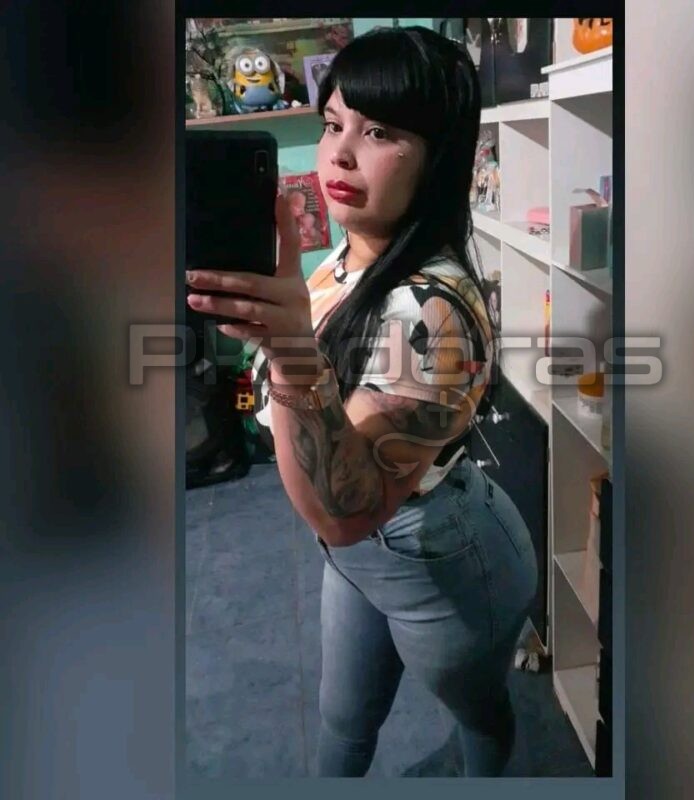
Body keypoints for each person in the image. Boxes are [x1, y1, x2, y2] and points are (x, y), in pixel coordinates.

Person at [185, 25, 538, 778]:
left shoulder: (431, 316)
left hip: (443, 554)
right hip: (357, 557)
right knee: (342, 723)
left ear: (438, 157)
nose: (339, 154)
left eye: (378, 132)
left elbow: (347, 510)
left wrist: (290, 350)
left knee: (478, 714)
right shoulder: (350, 258)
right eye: (333, 123)